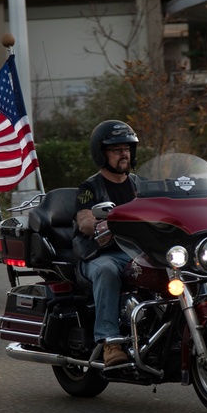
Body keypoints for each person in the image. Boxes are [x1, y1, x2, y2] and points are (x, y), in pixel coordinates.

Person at [73, 120, 141, 367]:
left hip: (136, 252)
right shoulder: (90, 188)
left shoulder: (139, 184)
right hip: (99, 255)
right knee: (107, 270)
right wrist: (103, 223)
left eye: (127, 148)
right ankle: (110, 341)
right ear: (102, 154)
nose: (124, 153)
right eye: (116, 149)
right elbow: (84, 220)